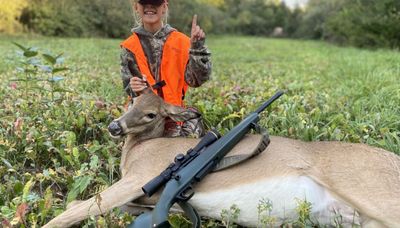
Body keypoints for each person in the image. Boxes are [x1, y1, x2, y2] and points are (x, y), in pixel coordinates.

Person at [120, 0, 212, 138]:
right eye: (144, 3)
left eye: (155, 3)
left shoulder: (182, 42)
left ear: (164, 7)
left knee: (192, 143)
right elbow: (129, 86)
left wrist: (197, 48)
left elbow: (196, 81)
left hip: (172, 112)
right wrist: (134, 86)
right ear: (136, 7)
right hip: (143, 115)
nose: (149, 7)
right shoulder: (130, 46)